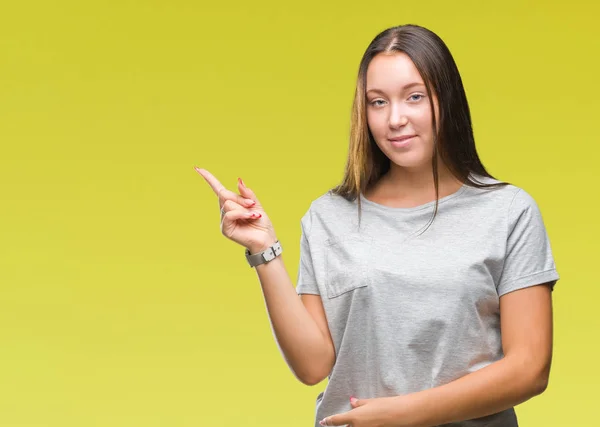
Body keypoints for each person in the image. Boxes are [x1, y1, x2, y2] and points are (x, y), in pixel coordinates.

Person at [195, 23, 559, 427]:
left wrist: (402, 414)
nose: (395, 119)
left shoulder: (509, 212)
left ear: (447, 99)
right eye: (377, 102)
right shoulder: (328, 216)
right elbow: (313, 365)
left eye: (414, 97)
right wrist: (264, 252)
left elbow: (530, 368)